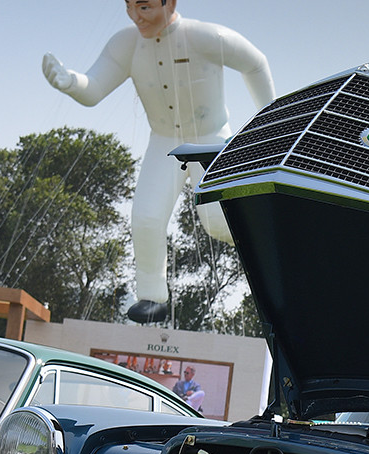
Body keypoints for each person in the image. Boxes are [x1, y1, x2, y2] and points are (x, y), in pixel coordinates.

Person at [43, 0, 275, 323]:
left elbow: (256, 63)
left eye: (145, 7)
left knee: (216, 219)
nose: (136, 17)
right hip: (163, 141)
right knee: (146, 217)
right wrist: (70, 83)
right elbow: (94, 88)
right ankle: (152, 296)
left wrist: (271, 123)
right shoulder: (125, 44)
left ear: (171, 2)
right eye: (129, 7)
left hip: (210, 137)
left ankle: (270, 244)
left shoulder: (204, 37)